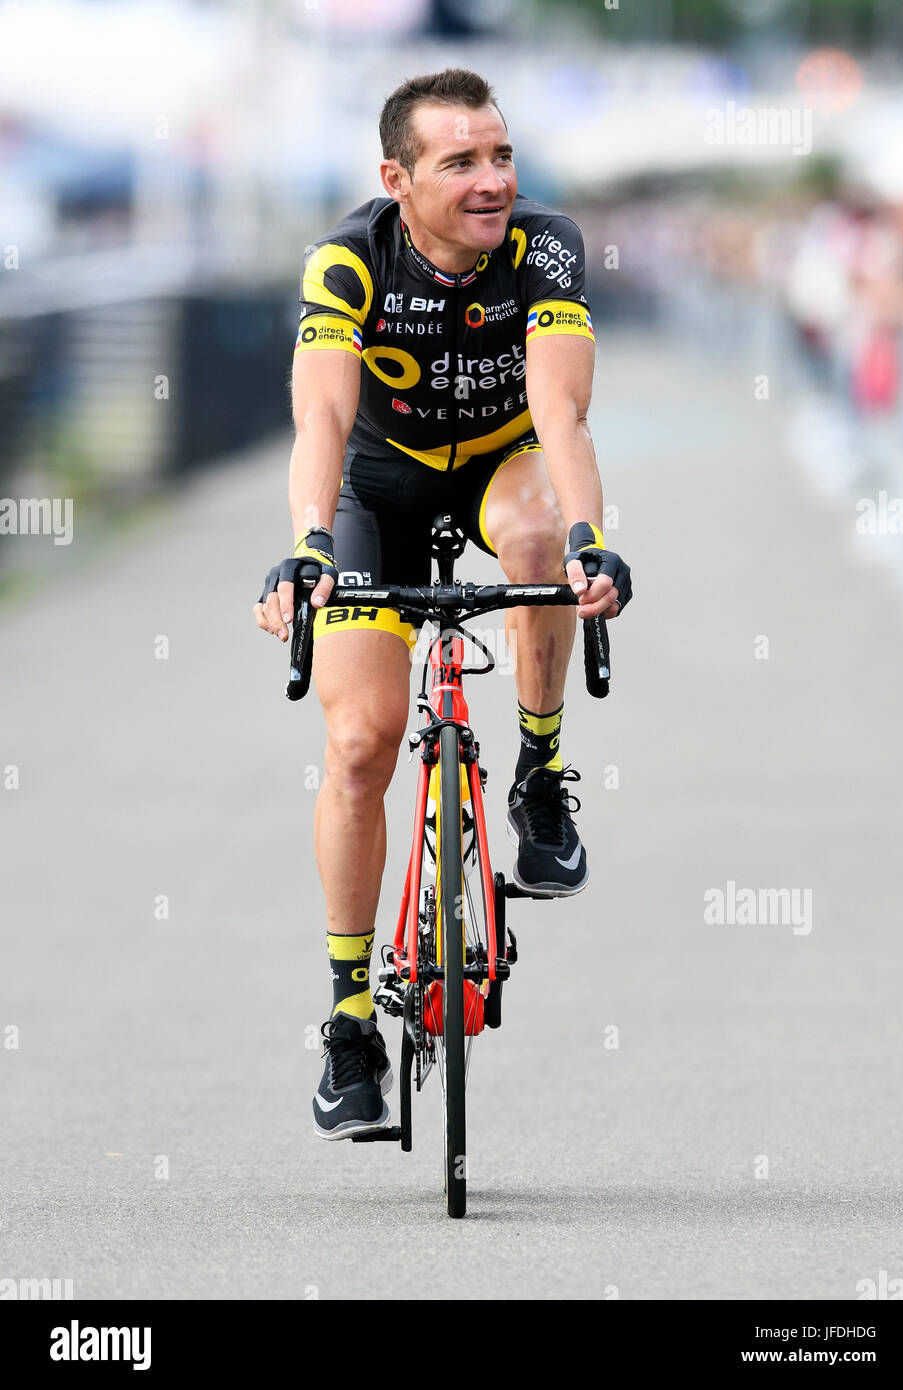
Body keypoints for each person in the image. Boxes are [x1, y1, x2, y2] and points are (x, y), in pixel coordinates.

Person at [254, 68, 632, 1139]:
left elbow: (559, 411)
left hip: (499, 467)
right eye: (460, 161)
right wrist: (309, 547)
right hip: (377, 485)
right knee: (364, 745)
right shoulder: (348, 260)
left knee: (539, 536)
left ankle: (539, 773)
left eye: (500, 155)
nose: (491, 180)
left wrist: (590, 540)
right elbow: (320, 424)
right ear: (396, 178)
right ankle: (346, 1024)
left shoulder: (545, 245)